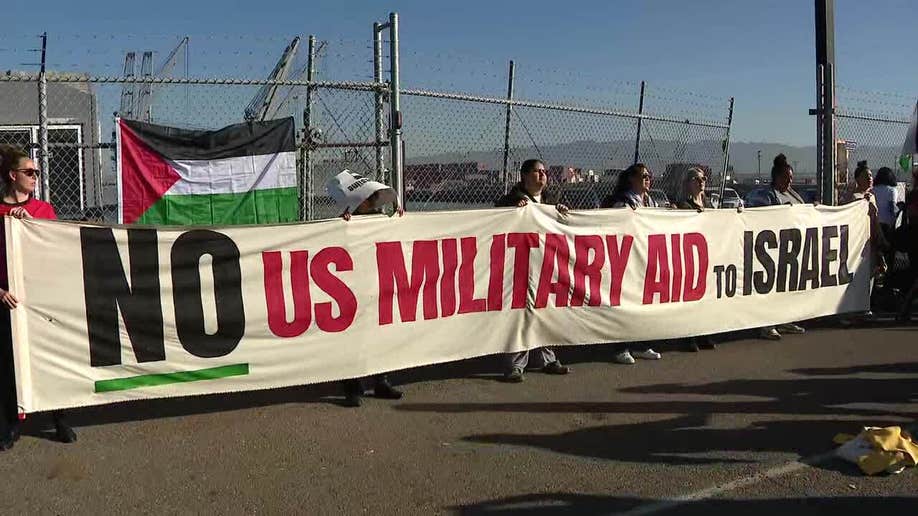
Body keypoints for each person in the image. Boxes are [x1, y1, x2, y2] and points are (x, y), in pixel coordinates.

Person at [0, 145, 77, 449]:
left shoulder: (42, 210)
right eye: (29, 172)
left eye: (37, 172)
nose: (35, 177)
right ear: (12, 175)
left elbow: (56, 250)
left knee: (50, 356)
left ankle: (59, 418)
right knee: (8, 362)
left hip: (41, 299)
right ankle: (10, 425)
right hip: (8, 298)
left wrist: (29, 224)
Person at [326, 170, 405, 407]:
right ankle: (352, 387)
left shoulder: (381, 220)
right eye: (367, 199)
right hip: (351, 290)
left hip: (375, 286)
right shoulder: (342, 223)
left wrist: (400, 222)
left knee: (379, 335)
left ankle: (381, 380)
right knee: (350, 340)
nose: (371, 202)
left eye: (372, 198)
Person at [495, 159, 571, 382]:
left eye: (544, 172)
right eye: (537, 172)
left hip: (545, 264)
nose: (542, 176)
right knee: (519, 314)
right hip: (519, 265)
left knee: (545, 312)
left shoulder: (551, 202)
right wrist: (513, 209)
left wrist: (563, 213)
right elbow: (496, 218)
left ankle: (547, 358)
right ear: (525, 176)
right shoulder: (512, 200)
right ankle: (515, 364)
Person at [601, 164, 663, 364]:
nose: (647, 178)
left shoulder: (650, 201)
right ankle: (620, 346)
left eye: (649, 175)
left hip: (646, 258)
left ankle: (642, 343)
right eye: (643, 175)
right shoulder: (623, 202)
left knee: (645, 303)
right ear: (631, 180)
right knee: (624, 303)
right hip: (626, 259)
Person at [753, 154, 808, 340]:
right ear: (776, 177)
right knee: (770, 287)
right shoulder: (768, 195)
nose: (789, 181)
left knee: (787, 285)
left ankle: (785, 319)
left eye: (791, 178)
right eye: (786, 177)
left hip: (791, 249)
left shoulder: (794, 195)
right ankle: (767, 324)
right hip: (771, 250)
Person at [675, 168, 716, 351]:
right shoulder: (683, 204)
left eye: (703, 178)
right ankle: (687, 335)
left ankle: (703, 332)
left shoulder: (709, 204)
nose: (701, 182)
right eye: (696, 179)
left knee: (706, 297)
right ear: (688, 183)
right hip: (689, 257)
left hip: (708, 256)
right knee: (690, 297)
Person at [896, 167, 918, 321]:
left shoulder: (912, 195)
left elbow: (910, 215)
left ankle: (906, 307)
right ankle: (906, 306)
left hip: (913, 238)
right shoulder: (914, 195)